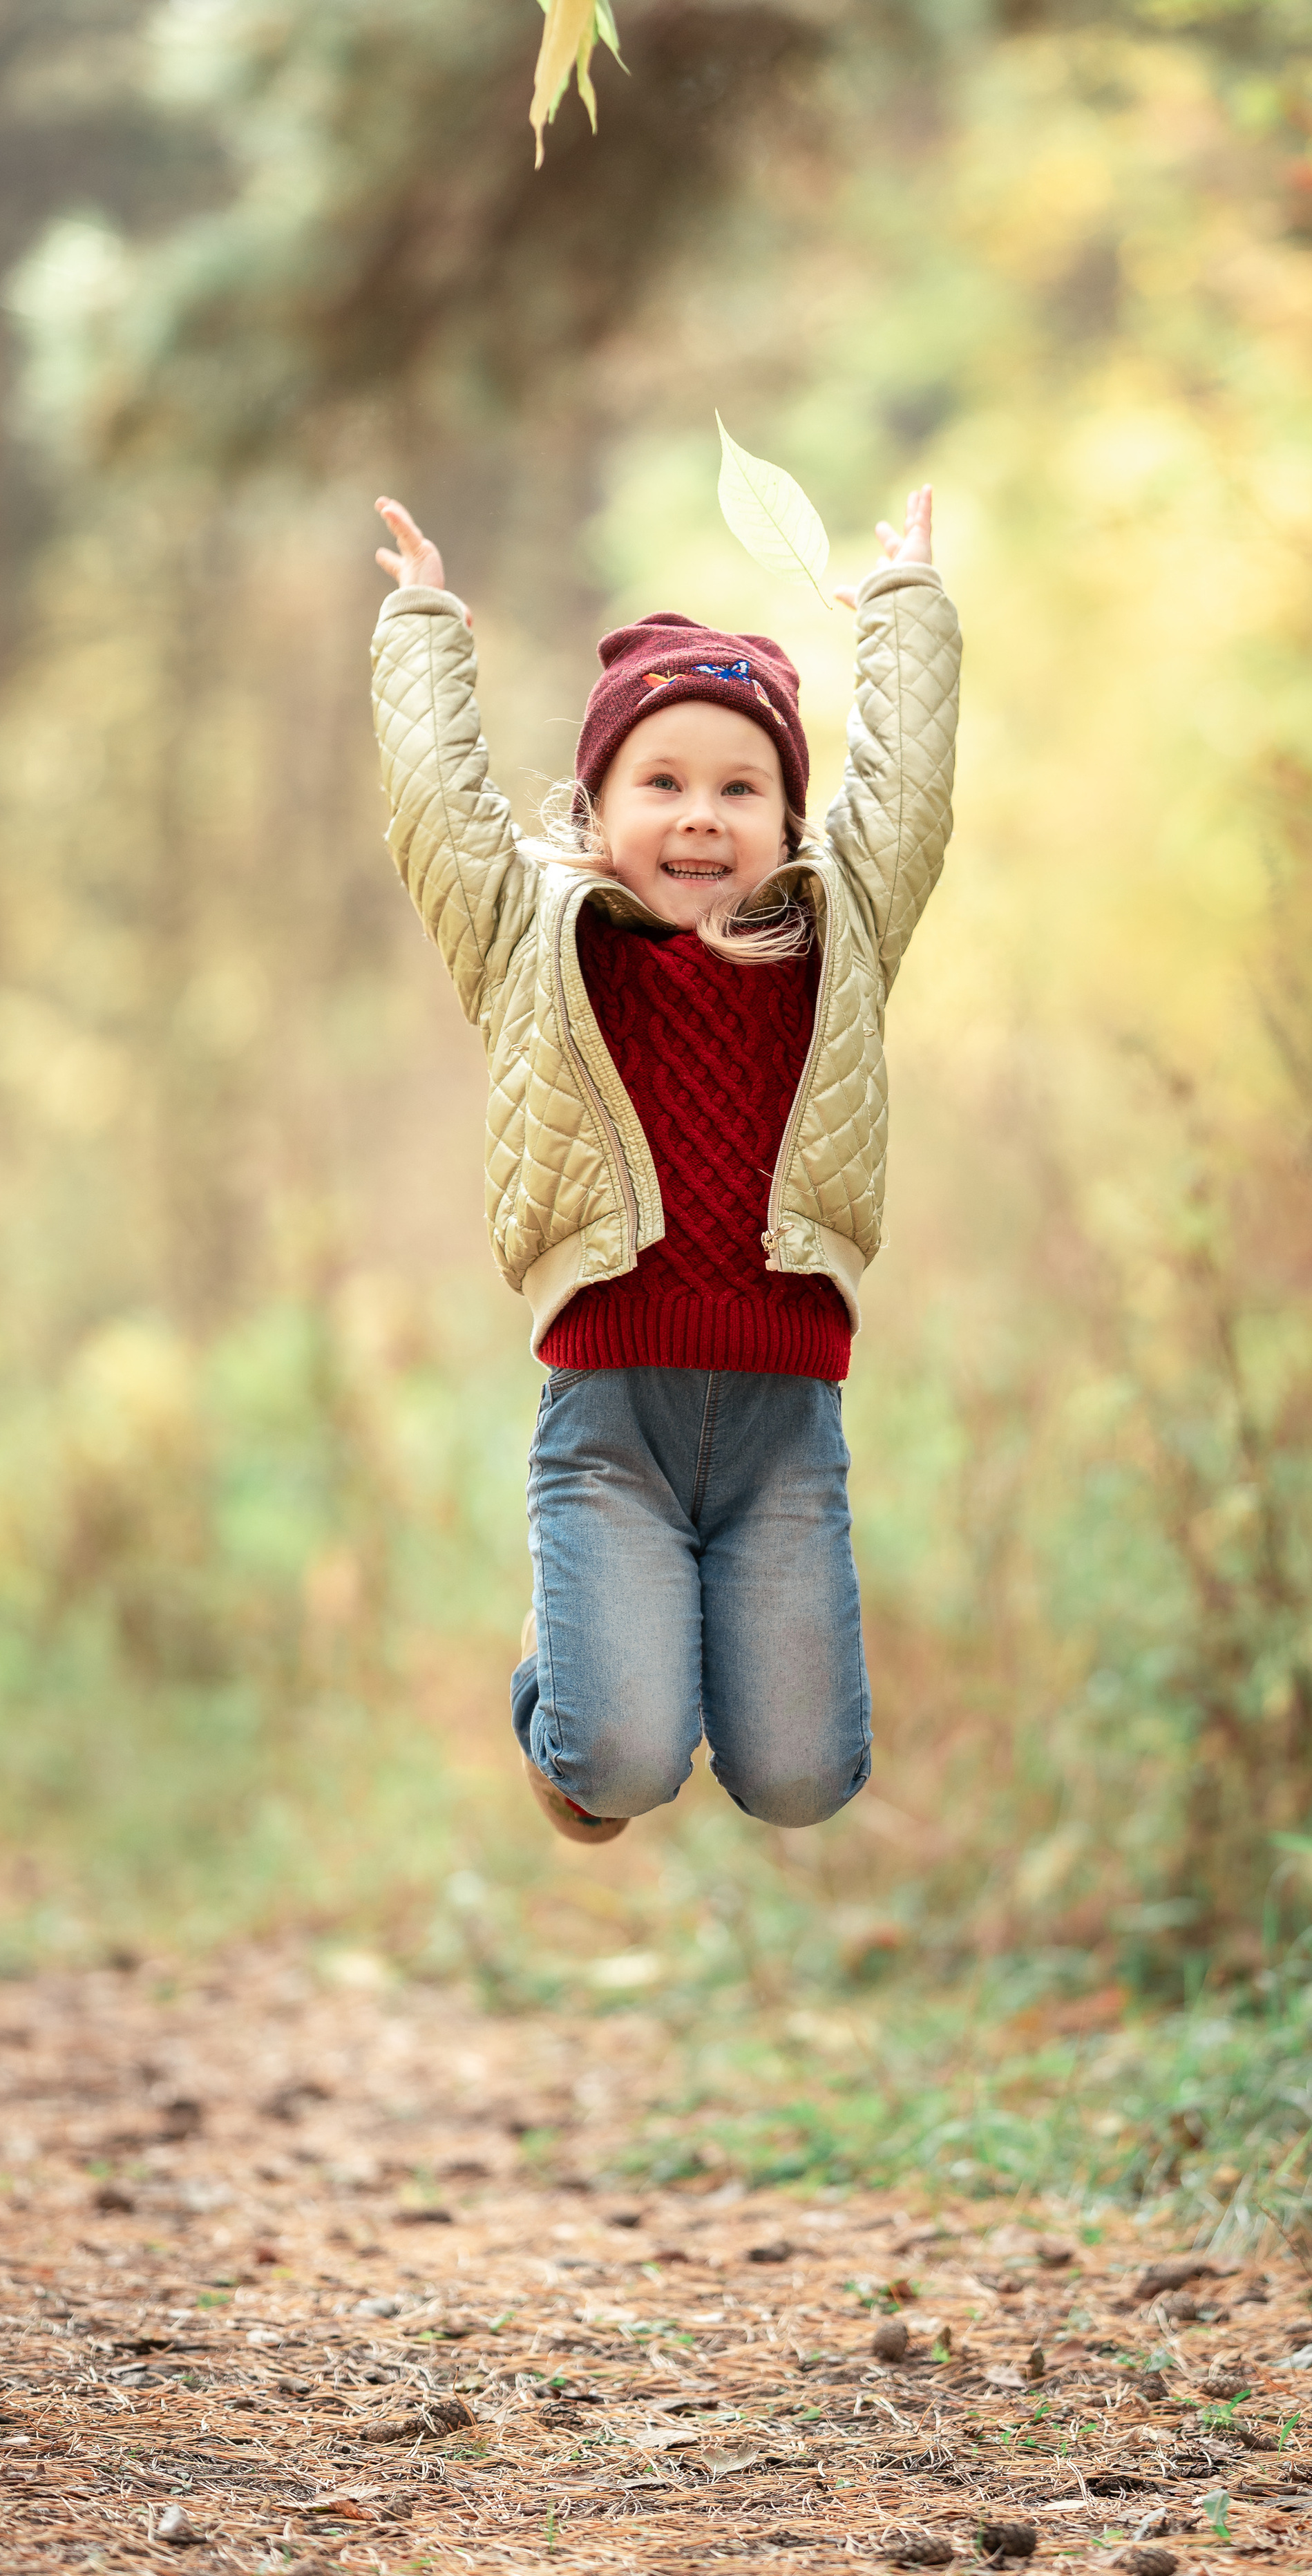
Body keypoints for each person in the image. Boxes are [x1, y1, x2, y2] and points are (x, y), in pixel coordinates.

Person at [370, 484, 960, 1843]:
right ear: (599, 803)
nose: (701, 814)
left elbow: (908, 796)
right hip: (610, 1413)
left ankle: (617, 1647)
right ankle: (564, 1674)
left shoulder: (841, 929)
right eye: (664, 783)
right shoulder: (531, 931)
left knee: (805, 1777)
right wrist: (420, 627)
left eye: (739, 786)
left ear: (785, 817)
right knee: (618, 1760)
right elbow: (434, 811)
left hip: (782, 1427)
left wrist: (905, 612)